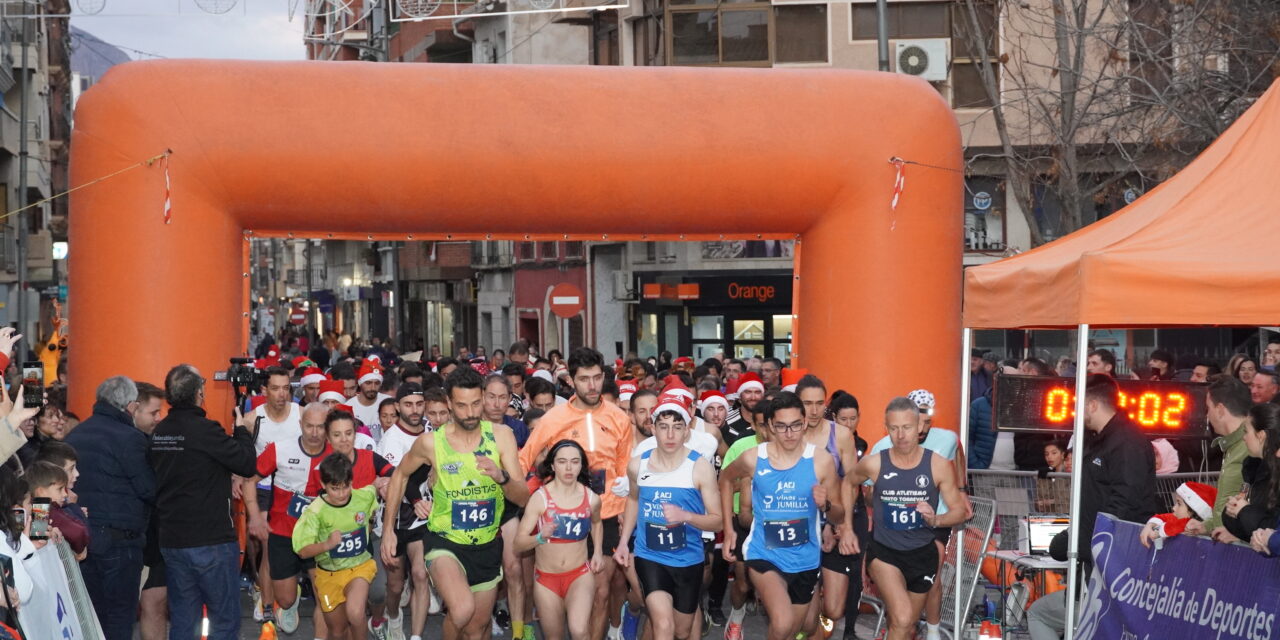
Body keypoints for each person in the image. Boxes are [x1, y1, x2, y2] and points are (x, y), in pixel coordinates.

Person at [381, 366, 531, 640]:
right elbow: (400, 475)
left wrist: (501, 476)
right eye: (461, 406)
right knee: (462, 611)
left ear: (484, 397)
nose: (470, 413)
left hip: (486, 544)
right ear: (449, 403)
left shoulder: (501, 437)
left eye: (476, 403)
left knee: (477, 628)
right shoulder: (431, 443)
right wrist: (388, 529)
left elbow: (522, 497)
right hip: (444, 542)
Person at [519, 347, 633, 640]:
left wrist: (623, 501)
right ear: (571, 380)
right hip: (561, 513)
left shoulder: (619, 418)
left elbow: (625, 469)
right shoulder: (554, 418)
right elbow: (525, 458)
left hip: (604, 512)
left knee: (601, 590)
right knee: (561, 595)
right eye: (584, 379)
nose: (592, 386)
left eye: (597, 377)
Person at [719, 392, 844, 640]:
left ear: (805, 422)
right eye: (782, 427)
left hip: (805, 558)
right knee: (783, 621)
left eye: (795, 425)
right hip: (763, 553)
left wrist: (826, 504)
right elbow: (724, 480)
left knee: (800, 629)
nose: (789, 433)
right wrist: (729, 529)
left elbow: (839, 514)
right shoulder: (754, 458)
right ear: (771, 427)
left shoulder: (821, 461)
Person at [150, 364, 258, 640]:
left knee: (184, 620)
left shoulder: (160, 433)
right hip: (210, 540)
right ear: (200, 392)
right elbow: (246, 463)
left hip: (173, 540)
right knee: (224, 621)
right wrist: (243, 430)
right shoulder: (205, 430)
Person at [845, 397, 967, 640]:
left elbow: (960, 511)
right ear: (886, 427)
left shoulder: (939, 465)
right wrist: (846, 526)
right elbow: (848, 482)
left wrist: (935, 521)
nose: (900, 435)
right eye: (894, 428)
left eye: (907, 427)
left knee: (905, 625)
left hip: (922, 553)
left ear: (920, 426)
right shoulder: (874, 463)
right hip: (884, 552)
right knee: (901, 618)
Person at [614, 392, 722, 640]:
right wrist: (623, 543)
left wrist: (685, 516)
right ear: (653, 429)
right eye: (663, 427)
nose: (670, 435)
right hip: (649, 555)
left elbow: (717, 520)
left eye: (677, 427)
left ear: (687, 431)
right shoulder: (637, 465)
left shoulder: (699, 467)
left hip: (687, 559)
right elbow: (632, 500)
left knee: (682, 632)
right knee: (662, 626)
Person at [63, 376, 154, 640]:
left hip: (80, 538)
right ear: (130, 405)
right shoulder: (131, 438)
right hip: (120, 542)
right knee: (119, 616)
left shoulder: (75, 434)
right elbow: (148, 489)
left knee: (91, 614)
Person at [242, 402, 333, 635]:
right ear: (300, 424)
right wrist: (254, 517)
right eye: (309, 426)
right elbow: (249, 480)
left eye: (320, 427)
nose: (314, 433)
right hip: (283, 532)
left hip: (318, 535)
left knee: (326, 596)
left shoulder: (336, 454)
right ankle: (290, 602)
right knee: (285, 599)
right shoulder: (279, 449)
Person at [515, 440, 604, 640]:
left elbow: (597, 523)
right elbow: (518, 544)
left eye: (575, 461)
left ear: (582, 465)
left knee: (580, 630)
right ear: (553, 466)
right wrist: (539, 536)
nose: (569, 467)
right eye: (562, 462)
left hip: (579, 575)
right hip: (547, 580)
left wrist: (597, 551)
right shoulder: (540, 498)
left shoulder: (591, 499)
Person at [792, 375, 860, 640]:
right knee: (803, 611)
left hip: (834, 519)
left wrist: (842, 526)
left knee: (833, 609)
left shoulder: (840, 435)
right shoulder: (788, 434)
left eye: (819, 403)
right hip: (799, 528)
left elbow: (850, 484)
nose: (813, 410)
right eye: (807, 403)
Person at [293, 453, 380, 640]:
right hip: (328, 575)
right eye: (335, 488)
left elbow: (377, 488)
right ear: (323, 485)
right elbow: (302, 550)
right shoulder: (315, 511)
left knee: (356, 613)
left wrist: (385, 486)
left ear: (351, 482)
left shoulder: (363, 497)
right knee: (337, 632)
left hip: (359, 567)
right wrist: (328, 544)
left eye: (346, 487)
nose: (342, 493)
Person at [250, 366, 303, 622]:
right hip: (264, 489)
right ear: (264, 390)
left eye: (286, 388)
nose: (282, 394)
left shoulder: (301, 415)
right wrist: (239, 477)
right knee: (269, 546)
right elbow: (242, 457)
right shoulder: (253, 419)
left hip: (298, 491)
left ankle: (289, 588)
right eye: (275, 388)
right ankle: (268, 604)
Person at [1186, 377, 1251, 537]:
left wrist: (1239, 535)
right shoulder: (1233, 446)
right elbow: (1227, 505)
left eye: (1208, 408)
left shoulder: (1252, 446)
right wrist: (1206, 526)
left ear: (1220, 410)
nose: (1207, 415)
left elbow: (1264, 505)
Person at [1216, 402, 1280, 544]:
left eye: (1246, 431)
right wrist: (1233, 512)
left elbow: (1273, 530)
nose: (1244, 438)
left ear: (1261, 435)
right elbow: (1254, 532)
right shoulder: (1253, 470)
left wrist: (1244, 511)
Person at [1139, 482, 1217, 548]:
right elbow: (1162, 518)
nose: (1174, 508)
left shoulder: (1210, 533)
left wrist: (1159, 532)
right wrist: (1149, 525)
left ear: (1194, 511)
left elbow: (1183, 524)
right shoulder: (1176, 518)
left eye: (1179, 504)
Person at [351, 360, 393, 437]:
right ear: (360, 383)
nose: (373, 388)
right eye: (368, 383)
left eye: (377, 383)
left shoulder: (389, 402)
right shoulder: (349, 407)